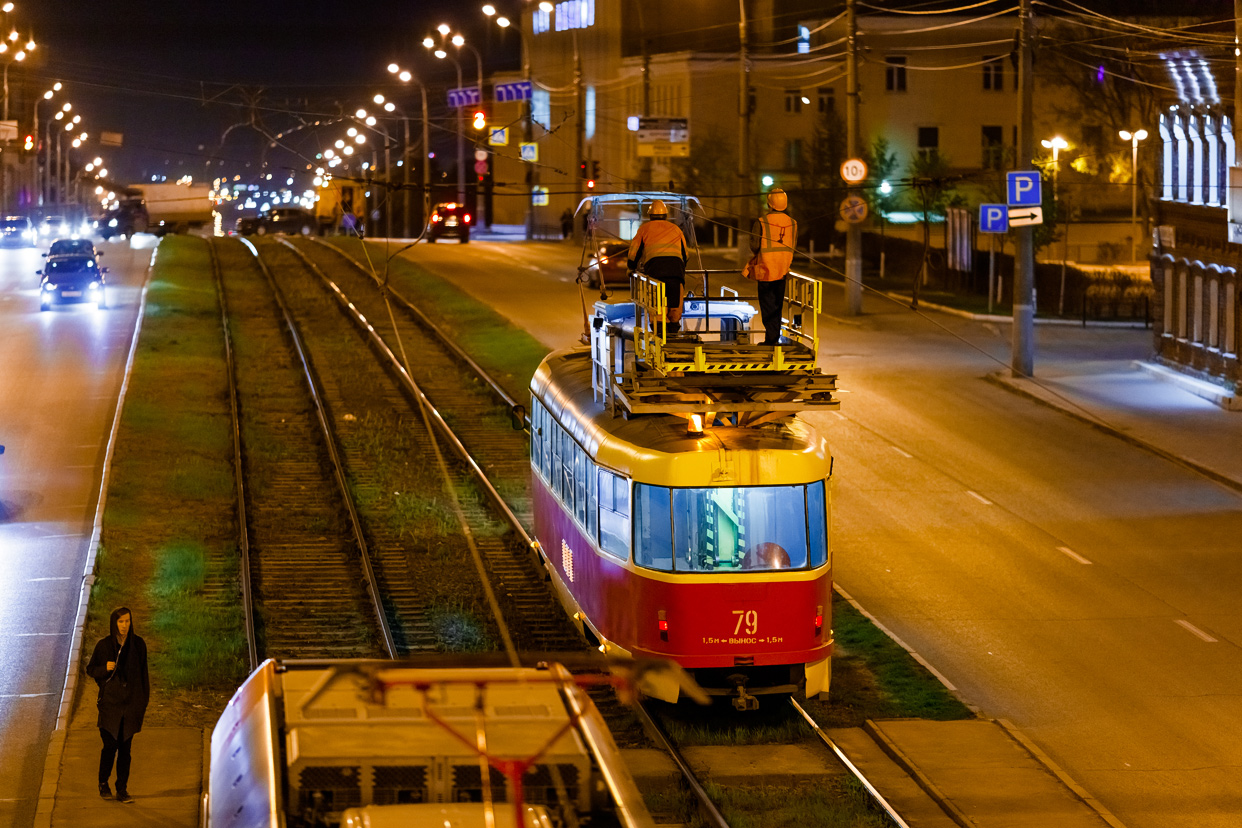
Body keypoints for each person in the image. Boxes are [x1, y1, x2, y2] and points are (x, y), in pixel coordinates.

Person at [86, 606, 150, 805]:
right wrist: (104, 669)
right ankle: (103, 782)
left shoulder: (138, 645)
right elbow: (91, 669)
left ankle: (122, 788)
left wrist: (142, 703)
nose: (124, 625)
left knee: (125, 749)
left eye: (127, 621)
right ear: (114, 623)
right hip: (110, 705)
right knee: (110, 745)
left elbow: (143, 676)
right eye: (120, 621)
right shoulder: (104, 645)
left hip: (130, 706)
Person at [627, 199, 689, 334]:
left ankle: (660, 329)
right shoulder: (676, 229)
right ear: (665, 215)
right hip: (676, 272)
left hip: (655, 271)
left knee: (657, 303)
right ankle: (673, 327)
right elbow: (685, 255)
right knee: (675, 304)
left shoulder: (644, 229)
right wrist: (679, 268)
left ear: (650, 215)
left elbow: (634, 253)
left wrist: (631, 267)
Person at [746, 188, 798, 345]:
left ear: (769, 204)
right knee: (777, 305)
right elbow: (793, 245)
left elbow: (755, 246)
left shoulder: (761, 222)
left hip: (766, 270)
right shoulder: (793, 223)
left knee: (767, 306)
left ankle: (772, 339)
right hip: (783, 270)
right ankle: (773, 337)